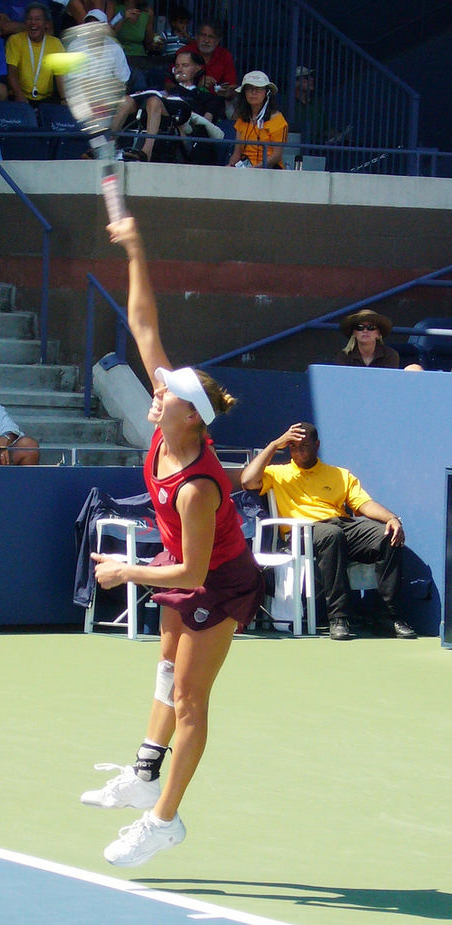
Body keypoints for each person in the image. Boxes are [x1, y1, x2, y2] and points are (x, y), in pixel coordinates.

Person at [80, 215, 264, 867]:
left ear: (192, 415)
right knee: (165, 668)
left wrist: (126, 572)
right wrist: (135, 248)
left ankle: (164, 819)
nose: (157, 390)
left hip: (219, 579)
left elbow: (189, 563)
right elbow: (144, 325)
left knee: (190, 696)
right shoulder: (171, 421)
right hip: (182, 567)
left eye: (170, 392)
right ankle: (143, 770)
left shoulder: (197, 485)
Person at [240, 421, 417, 640]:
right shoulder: (277, 473)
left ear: (317, 445)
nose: (298, 451)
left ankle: (387, 616)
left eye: (304, 445)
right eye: (293, 446)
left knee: (386, 535)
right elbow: (247, 481)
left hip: (341, 524)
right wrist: (275, 444)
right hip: (303, 531)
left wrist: (392, 518)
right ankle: (339, 618)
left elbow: (364, 505)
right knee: (332, 536)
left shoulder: (339, 474)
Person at [113, 48, 223, 163]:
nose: (180, 69)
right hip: (158, 120)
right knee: (127, 100)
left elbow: (205, 125)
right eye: (177, 66)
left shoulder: (207, 97)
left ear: (198, 69)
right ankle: (107, 146)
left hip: (186, 133)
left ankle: (146, 152)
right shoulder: (166, 91)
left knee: (154, 101)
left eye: (185, 65)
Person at [5, 2, 67, 106]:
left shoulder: (55, 43)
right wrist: (20, 97)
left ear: (46, 23)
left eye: (38, 19)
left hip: (47, 100)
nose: (33, 22)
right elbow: (12, 73)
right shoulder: (15, 40)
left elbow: (60, 76)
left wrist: (64, 98)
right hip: (20, 97)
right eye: (29, 19)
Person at [227, 70, 287, 169]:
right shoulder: (242, 119)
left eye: (258, 89)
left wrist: (254, 169)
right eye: (249, 89)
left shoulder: (277, 120)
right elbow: (236, 154)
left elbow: (276, 156)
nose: (253, 93)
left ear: (266, 93)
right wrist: (231, 165)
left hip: (269, 171)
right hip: (244, 170)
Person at [181, 20, 236, 111]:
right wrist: (196, 85)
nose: (206, 40)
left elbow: (233, 88)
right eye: (203, 35)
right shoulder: (184, 52)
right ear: (197, 37)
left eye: (211, 37)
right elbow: (169, 85)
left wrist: (227, 92)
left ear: (218, 40)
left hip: (217, 103)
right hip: (188, 100)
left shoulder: (225, 55)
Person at [334, 309, 400, 369]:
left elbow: (388, 380)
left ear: (378, 334)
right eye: (360, 327)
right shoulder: (344, 356)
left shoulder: (390, 355)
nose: (365, 331)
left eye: (371, 327)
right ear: (354, 333)